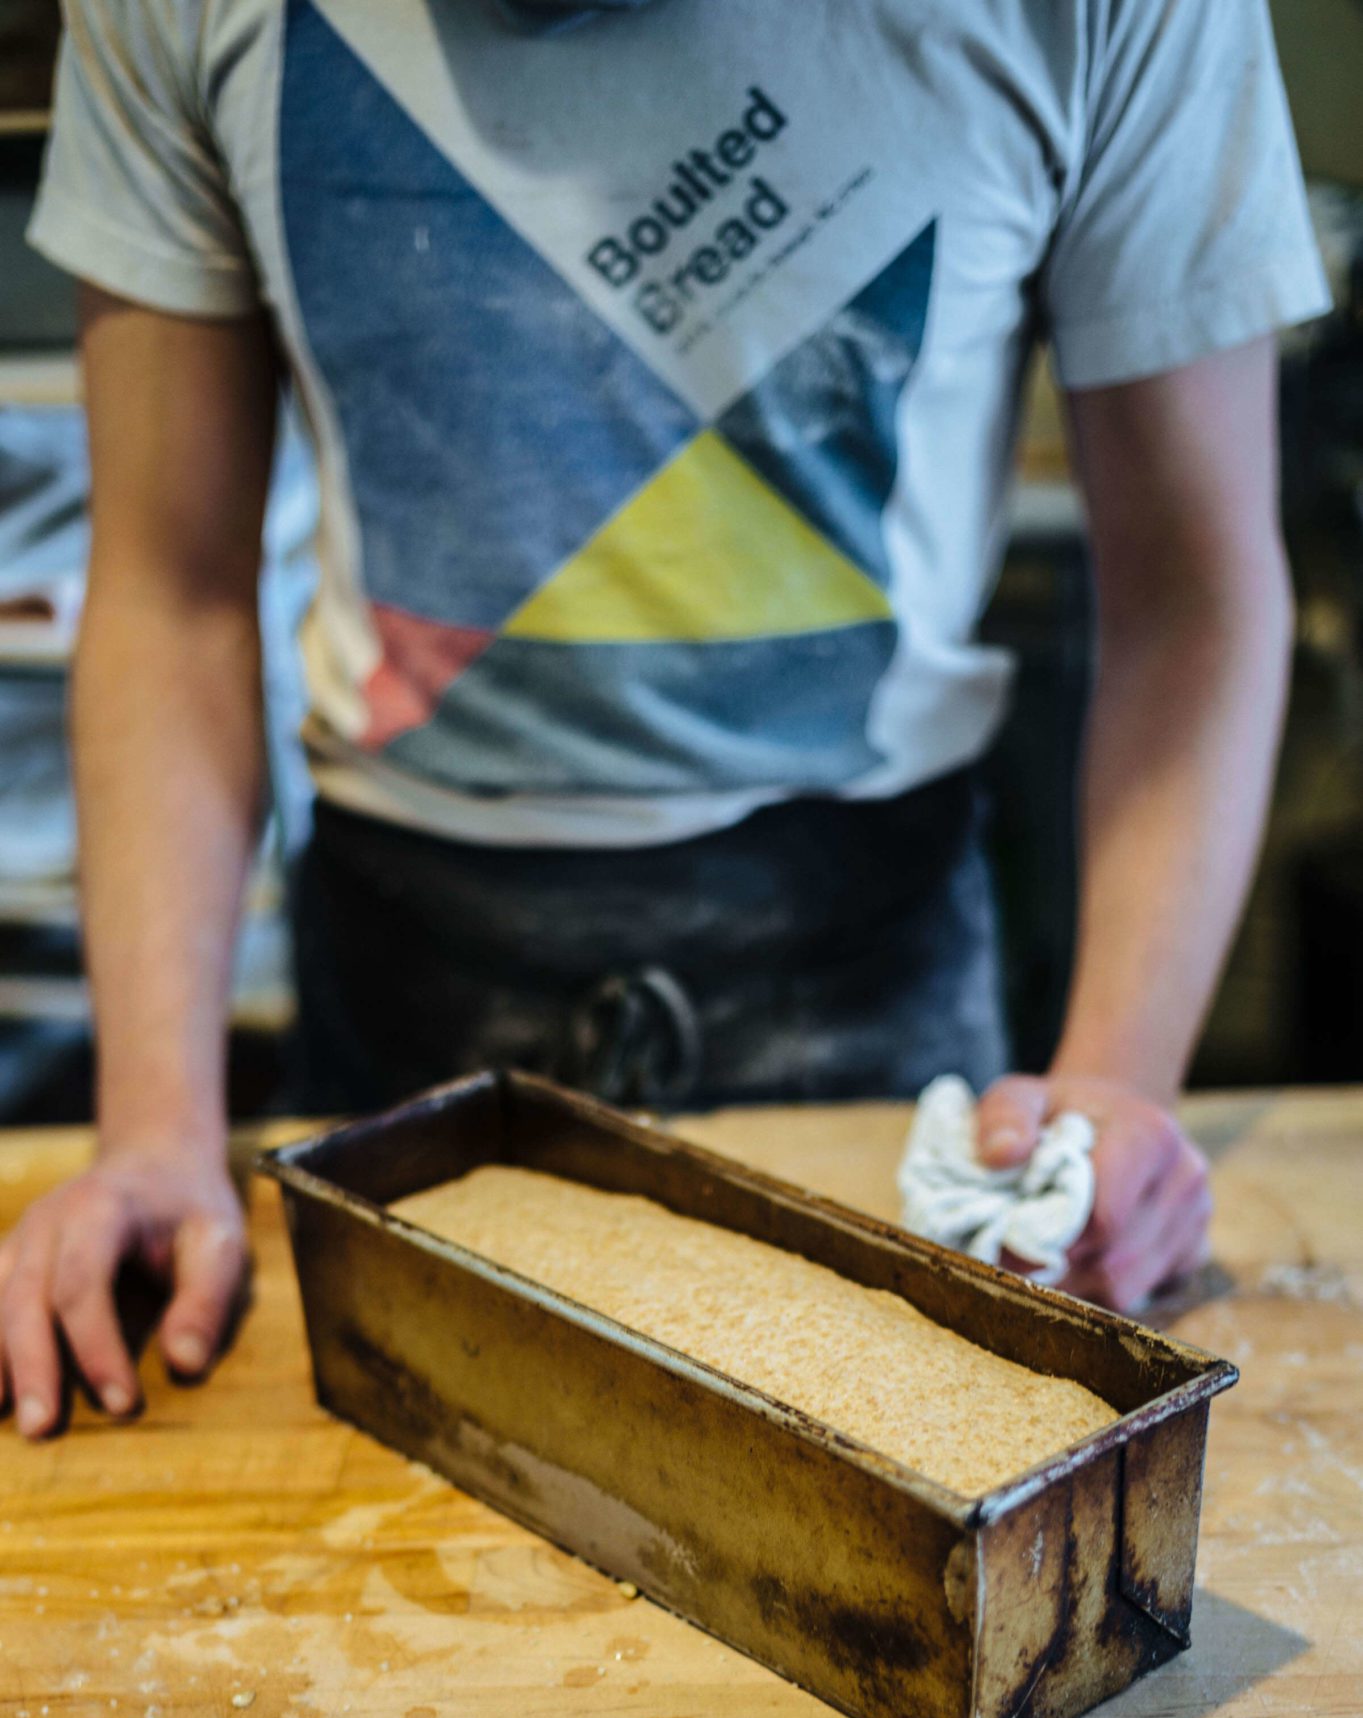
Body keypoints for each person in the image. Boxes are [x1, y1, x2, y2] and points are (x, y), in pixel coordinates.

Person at [0, 0, 1330, 1437]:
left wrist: (1114, 1090)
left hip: (871, 982)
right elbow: (172, 591)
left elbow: (1193, 600)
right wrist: (151, 1130)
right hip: (401, 973)